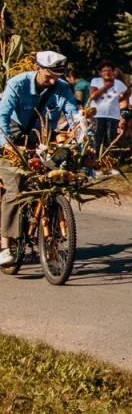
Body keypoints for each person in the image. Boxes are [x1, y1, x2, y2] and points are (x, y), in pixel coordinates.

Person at [0, 51, 83, 268]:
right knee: (16, 186)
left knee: (55, 180)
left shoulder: (62, 87)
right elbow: (3, 116)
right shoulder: (17, 84)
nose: (53, 81)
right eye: (49, 76)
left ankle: (51, 241)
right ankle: (5, 245)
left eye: (57, 76)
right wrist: (6, 144)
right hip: (13, 137)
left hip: (42, 138)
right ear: (39, 69)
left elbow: (74, 116)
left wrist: (83, 140)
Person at [86, 61, 129, 153]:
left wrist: (118, 100)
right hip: (98, 114)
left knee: (111, 139)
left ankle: (110, 158)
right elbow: (93, 96)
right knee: (97, 138)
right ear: (100, 73)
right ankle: (96, 158)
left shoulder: (118, 83)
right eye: (104, 70)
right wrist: (106, 86)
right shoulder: (96, 81)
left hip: (112, 115)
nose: (107, 73)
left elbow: (128, 92)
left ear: (113, 72)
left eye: (109, 70)